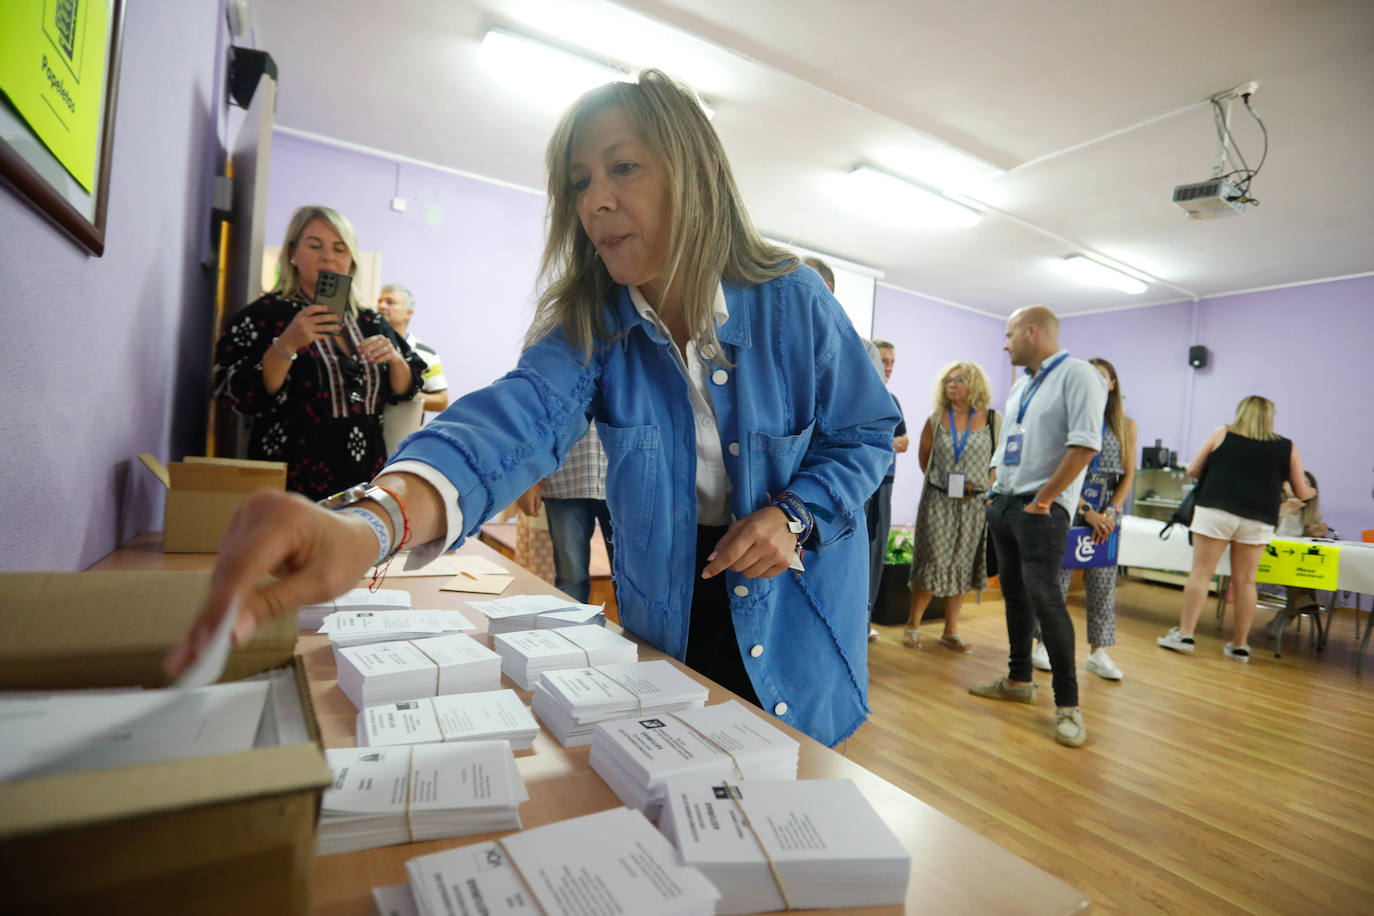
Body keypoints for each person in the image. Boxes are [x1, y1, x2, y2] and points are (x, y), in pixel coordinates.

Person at [168, 70, 900, 748]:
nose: (594, 201)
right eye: (579, 182)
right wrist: (370, 523)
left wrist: (796, 514)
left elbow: (867, 432)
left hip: (794, 611)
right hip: (674, 612)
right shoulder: (592, 323)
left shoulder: (792, 301)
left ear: (698, 169)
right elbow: (515, 418)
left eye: (623, 167)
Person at [212, 206, 425, 501]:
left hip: (363, 481)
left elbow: (409, 387)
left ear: (350, 261)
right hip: (289, 482)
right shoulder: (264, 316)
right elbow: (232, 392)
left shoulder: (370, 321)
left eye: (340, 248)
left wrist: (396, 360)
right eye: (314, 245)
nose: (328, 256)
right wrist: (285, 345)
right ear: (292, 253)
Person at [969, 306, 1107, 748]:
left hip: (1041, 510)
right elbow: (1008, 440)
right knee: (1014, 598)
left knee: (1047, 602)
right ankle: (1018, 680)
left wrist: (1045, 498)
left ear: (1033, 332)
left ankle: (1068, 707)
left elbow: (1085, 446)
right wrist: (995, 486)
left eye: (1009, 335)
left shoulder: (1079, 374)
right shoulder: (1022, 385)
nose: (1005, 344)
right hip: (1006, 503)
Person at [1159, 396, 1315, 661]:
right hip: (1258, 518)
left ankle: (1185, 635)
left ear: (1240, 412)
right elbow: (1302, 492)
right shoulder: (1287, 447)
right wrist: (1307, 489)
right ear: (1271, 417)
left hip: (1216, 510)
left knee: (1201, 573)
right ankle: (1240, 646)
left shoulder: (1222, 434)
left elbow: (1194, 471)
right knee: (1245, 581)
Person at [1033, 357, 1137, 681]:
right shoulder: (1069, 420)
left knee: (1104, 584)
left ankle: (1098, 652)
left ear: (1113, 384)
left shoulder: (1126, 425)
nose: (1095, 381)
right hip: (1071, 507)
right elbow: (1058, 470)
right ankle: (1042, 644)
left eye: (1102, 376)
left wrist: (1110, 511)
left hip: (1107, 514)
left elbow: (1129, 474)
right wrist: (1085, 511)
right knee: (1057, 581)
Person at [904, 361, 998, 652]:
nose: (951, 385)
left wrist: (989, 489)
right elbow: (924, 459)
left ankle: (951, 631)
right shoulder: (937, 419)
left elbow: (999, 460)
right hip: (938, 501)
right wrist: (944, 486)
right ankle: (913, 625)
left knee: (963, 565)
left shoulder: (994, 419)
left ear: (974, 384)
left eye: (958, 380)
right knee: (932, 560)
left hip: (975, 505)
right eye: (947, 380)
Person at [515, 426, 614, 604]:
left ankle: (628, 632)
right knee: (570, 579)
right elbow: (536, 418)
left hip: (623, 482)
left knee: (630, 580)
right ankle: (572, 632)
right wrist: (529, 479)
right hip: (565, 477)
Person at [864, 339, 908, 639]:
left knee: (876, 554)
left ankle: (865, 623)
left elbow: (904, 442)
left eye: (892, 361)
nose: (888, 367)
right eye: (883, 360)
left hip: (884, 486)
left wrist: (882, 443)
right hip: (860, 489)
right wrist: (886, 443)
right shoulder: (858, 396)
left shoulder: (892, 399)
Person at [376, 284, 450, 412]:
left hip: (404, 430)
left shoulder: (426, 355)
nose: (381, 306)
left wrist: (405, 392)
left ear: (408, 313)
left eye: (390, 302)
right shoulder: (366, 344)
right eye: (380, 301)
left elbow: (441, 402)